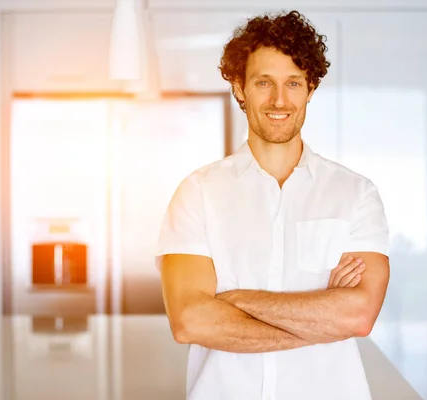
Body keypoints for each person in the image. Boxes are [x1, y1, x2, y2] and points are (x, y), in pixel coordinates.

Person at [155, 10, 390, 400]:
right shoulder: (197, 193)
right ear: (239, 87)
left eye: (293, 83)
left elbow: (358, 316)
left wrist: (234, 300)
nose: (279, 100)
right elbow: (190, 321)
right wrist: (319, 323)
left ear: (310, 88)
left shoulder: (356, 195)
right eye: (264, 82)